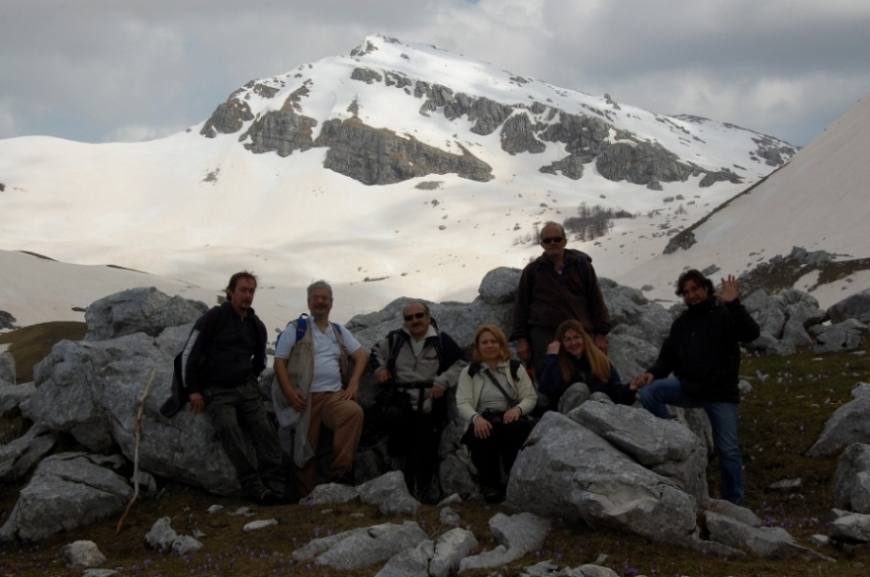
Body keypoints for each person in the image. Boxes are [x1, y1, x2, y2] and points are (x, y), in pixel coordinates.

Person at [630, 271, 760, 506]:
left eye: (695, 289)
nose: (691, 295)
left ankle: (734, 503)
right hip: (689, 388)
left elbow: (751, 333)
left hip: (721, 395)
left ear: (706, 288)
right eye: (686, 292)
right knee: (650, 391)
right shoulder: (682, 323)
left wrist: (734, 303)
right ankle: (673, 440)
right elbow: (666, 358)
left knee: (728, 450)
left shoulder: (724, 314)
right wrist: (652, 373)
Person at [165, 271, 284, 505]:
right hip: (216, 390)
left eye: (251, 291)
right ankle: (254, 486)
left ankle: (277, 485)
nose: (247, 295)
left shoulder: (255, 324)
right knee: (229, 429)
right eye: (243, 290)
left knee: (265, 429)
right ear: (231, 291)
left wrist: (250, 378)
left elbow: (260, 359)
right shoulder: (214, 317)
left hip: (246, 388)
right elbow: (189, 352)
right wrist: (193, 390)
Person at [272, 280, 368, 500]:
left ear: (331, 303)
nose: (320, 302)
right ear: (308, 302)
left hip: (333, 396)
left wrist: (353, 384)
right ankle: (304, 501)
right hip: (303, 398)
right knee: (304, 451)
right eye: (315, 298)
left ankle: (339, 477)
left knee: (352, 413)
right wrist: (289, 393)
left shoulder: (339, 331)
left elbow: (361, 356)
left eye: (325, 298)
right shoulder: (296, 329)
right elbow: (279, 362)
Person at [370, 301, 466, 500]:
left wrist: (442, 381)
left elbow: (461, 363)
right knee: (394, 421)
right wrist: (380, 369)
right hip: (401, 402)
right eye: (409, 317)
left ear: (428, 317)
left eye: (419, 315)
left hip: (430, 404)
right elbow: (375, 352)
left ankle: (420, 497)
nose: (415, 320)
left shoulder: (441, 340)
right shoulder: (395, 339)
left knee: (424, 448)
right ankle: (401, 471)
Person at [512, 221, 611, 380]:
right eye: (547, 240)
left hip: (578, 331)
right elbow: (521, 308)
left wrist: (600, 335)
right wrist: (522, 339)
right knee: (549, 377)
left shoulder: (582, 266)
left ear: (565, 241)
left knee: (589, 376)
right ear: (542, 244)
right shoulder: (532, 271)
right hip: (545, 332)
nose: (552, 243)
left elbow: (596, 302)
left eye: (557, 239)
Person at [456, 325, 537, 503]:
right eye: (484, 342)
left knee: (515, 430)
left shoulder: (515, 368)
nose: (489, 345)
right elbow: (463, 402)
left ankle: (514, 481)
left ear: (501, 345)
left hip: (511, 415)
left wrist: (517, 410)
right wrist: (476, 419)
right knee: (482, 434)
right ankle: (489, 486)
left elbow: (530, 397)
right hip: (482, 417)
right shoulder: (469, 372)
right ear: (478, 347)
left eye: (494, 341)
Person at [538, 319, 635, 413]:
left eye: (577, 337)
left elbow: (617, 396)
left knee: (598, 396)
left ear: (584, 338)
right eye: (568, 340)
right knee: (580, 389)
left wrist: (631, 388)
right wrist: (552, 358)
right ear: (561, 344)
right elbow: (547, 390)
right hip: (567, 416)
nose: (573, 343)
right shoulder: (556, 363)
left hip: (597, 417)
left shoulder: (600, 361)